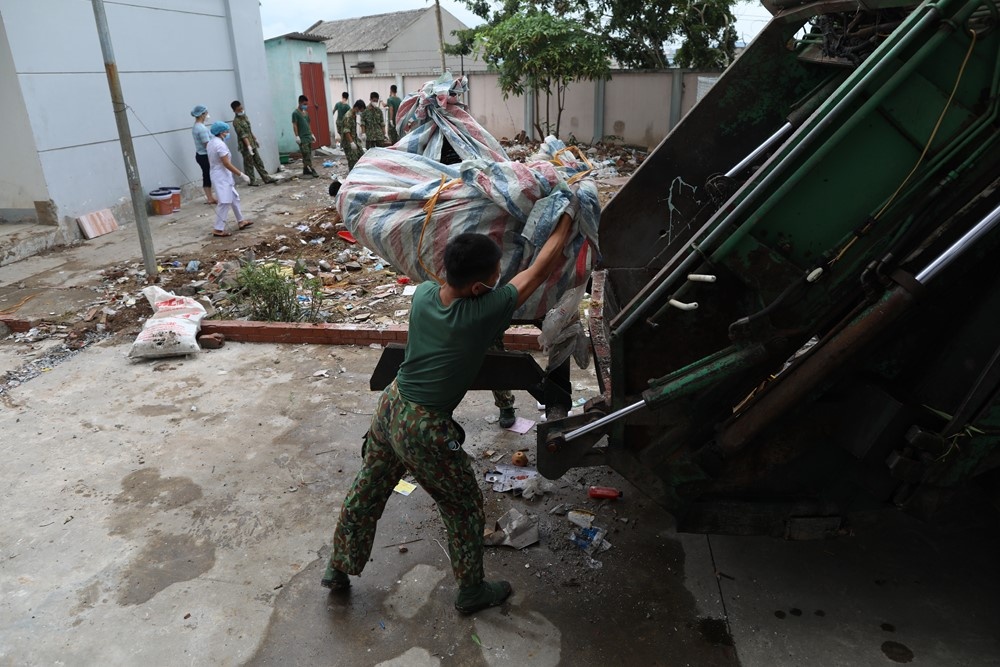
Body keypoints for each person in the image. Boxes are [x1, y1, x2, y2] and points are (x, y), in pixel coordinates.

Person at [322, 209, 576, 614]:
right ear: (478, 287)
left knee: (368, 489)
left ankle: (338, 566)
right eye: (495, 274)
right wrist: (565, 218)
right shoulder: (481, 312)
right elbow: (541, 267)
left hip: (391, 407)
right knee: (463, 506)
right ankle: (472, 591)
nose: (500, 278)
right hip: (424, 427)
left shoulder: (424, 293)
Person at [206, 121, 252, 237]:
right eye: (226, 131)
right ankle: (218, 228)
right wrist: (241, 174)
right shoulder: (220, 145)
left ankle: (241, 221)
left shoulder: (212, 142)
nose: (228, 133)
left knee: (234, 198)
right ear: (221, 132)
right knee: (225, 201)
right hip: (221, 175)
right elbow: (226, 163)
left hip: (220, 174)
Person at [230, 100, 275, 186]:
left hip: (251, 142)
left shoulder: (245, 117)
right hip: (245, 145)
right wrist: (248, 146)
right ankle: (251, 181)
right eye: (239, 109)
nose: (241, 110)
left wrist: (255, 139)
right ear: (234, 111)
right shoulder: (236, 122)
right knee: (249, 164)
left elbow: (249, 130)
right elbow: (243, 135)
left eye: (241, 108)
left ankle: (266, 178)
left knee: (258, 161)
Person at [191, 105, 217, 204]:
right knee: (207, 176)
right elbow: (207, 144)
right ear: (202, 115)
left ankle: (210, 197)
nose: (207, 115)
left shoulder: (197, 126)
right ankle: (210, 198)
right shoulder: (201, 128)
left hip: (201, 154)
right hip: (204, 155)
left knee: (207, 175)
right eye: (206, 113)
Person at [292, 94, 319, 179]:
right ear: (300, 103)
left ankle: (305, 169)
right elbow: (295, 125)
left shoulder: (306, 113)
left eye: (306, 104)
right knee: (306, 154)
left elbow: (308, 124)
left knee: (307, 154)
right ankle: (312, 169)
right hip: (302, 138)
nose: (305, 106)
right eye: (304, 104)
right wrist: (297, 136)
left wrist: (312, 134)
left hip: (308, 136)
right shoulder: (295, 113)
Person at [341, 100, 366, 171]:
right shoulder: (348, 116)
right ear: (357, 108)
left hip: (354, 140)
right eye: (361, 110)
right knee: (353, 161)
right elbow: (346, 131)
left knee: (361, 156)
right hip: (348, 143)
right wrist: (352, 143)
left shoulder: (353, 115)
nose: (361, 112)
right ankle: (352, 178)